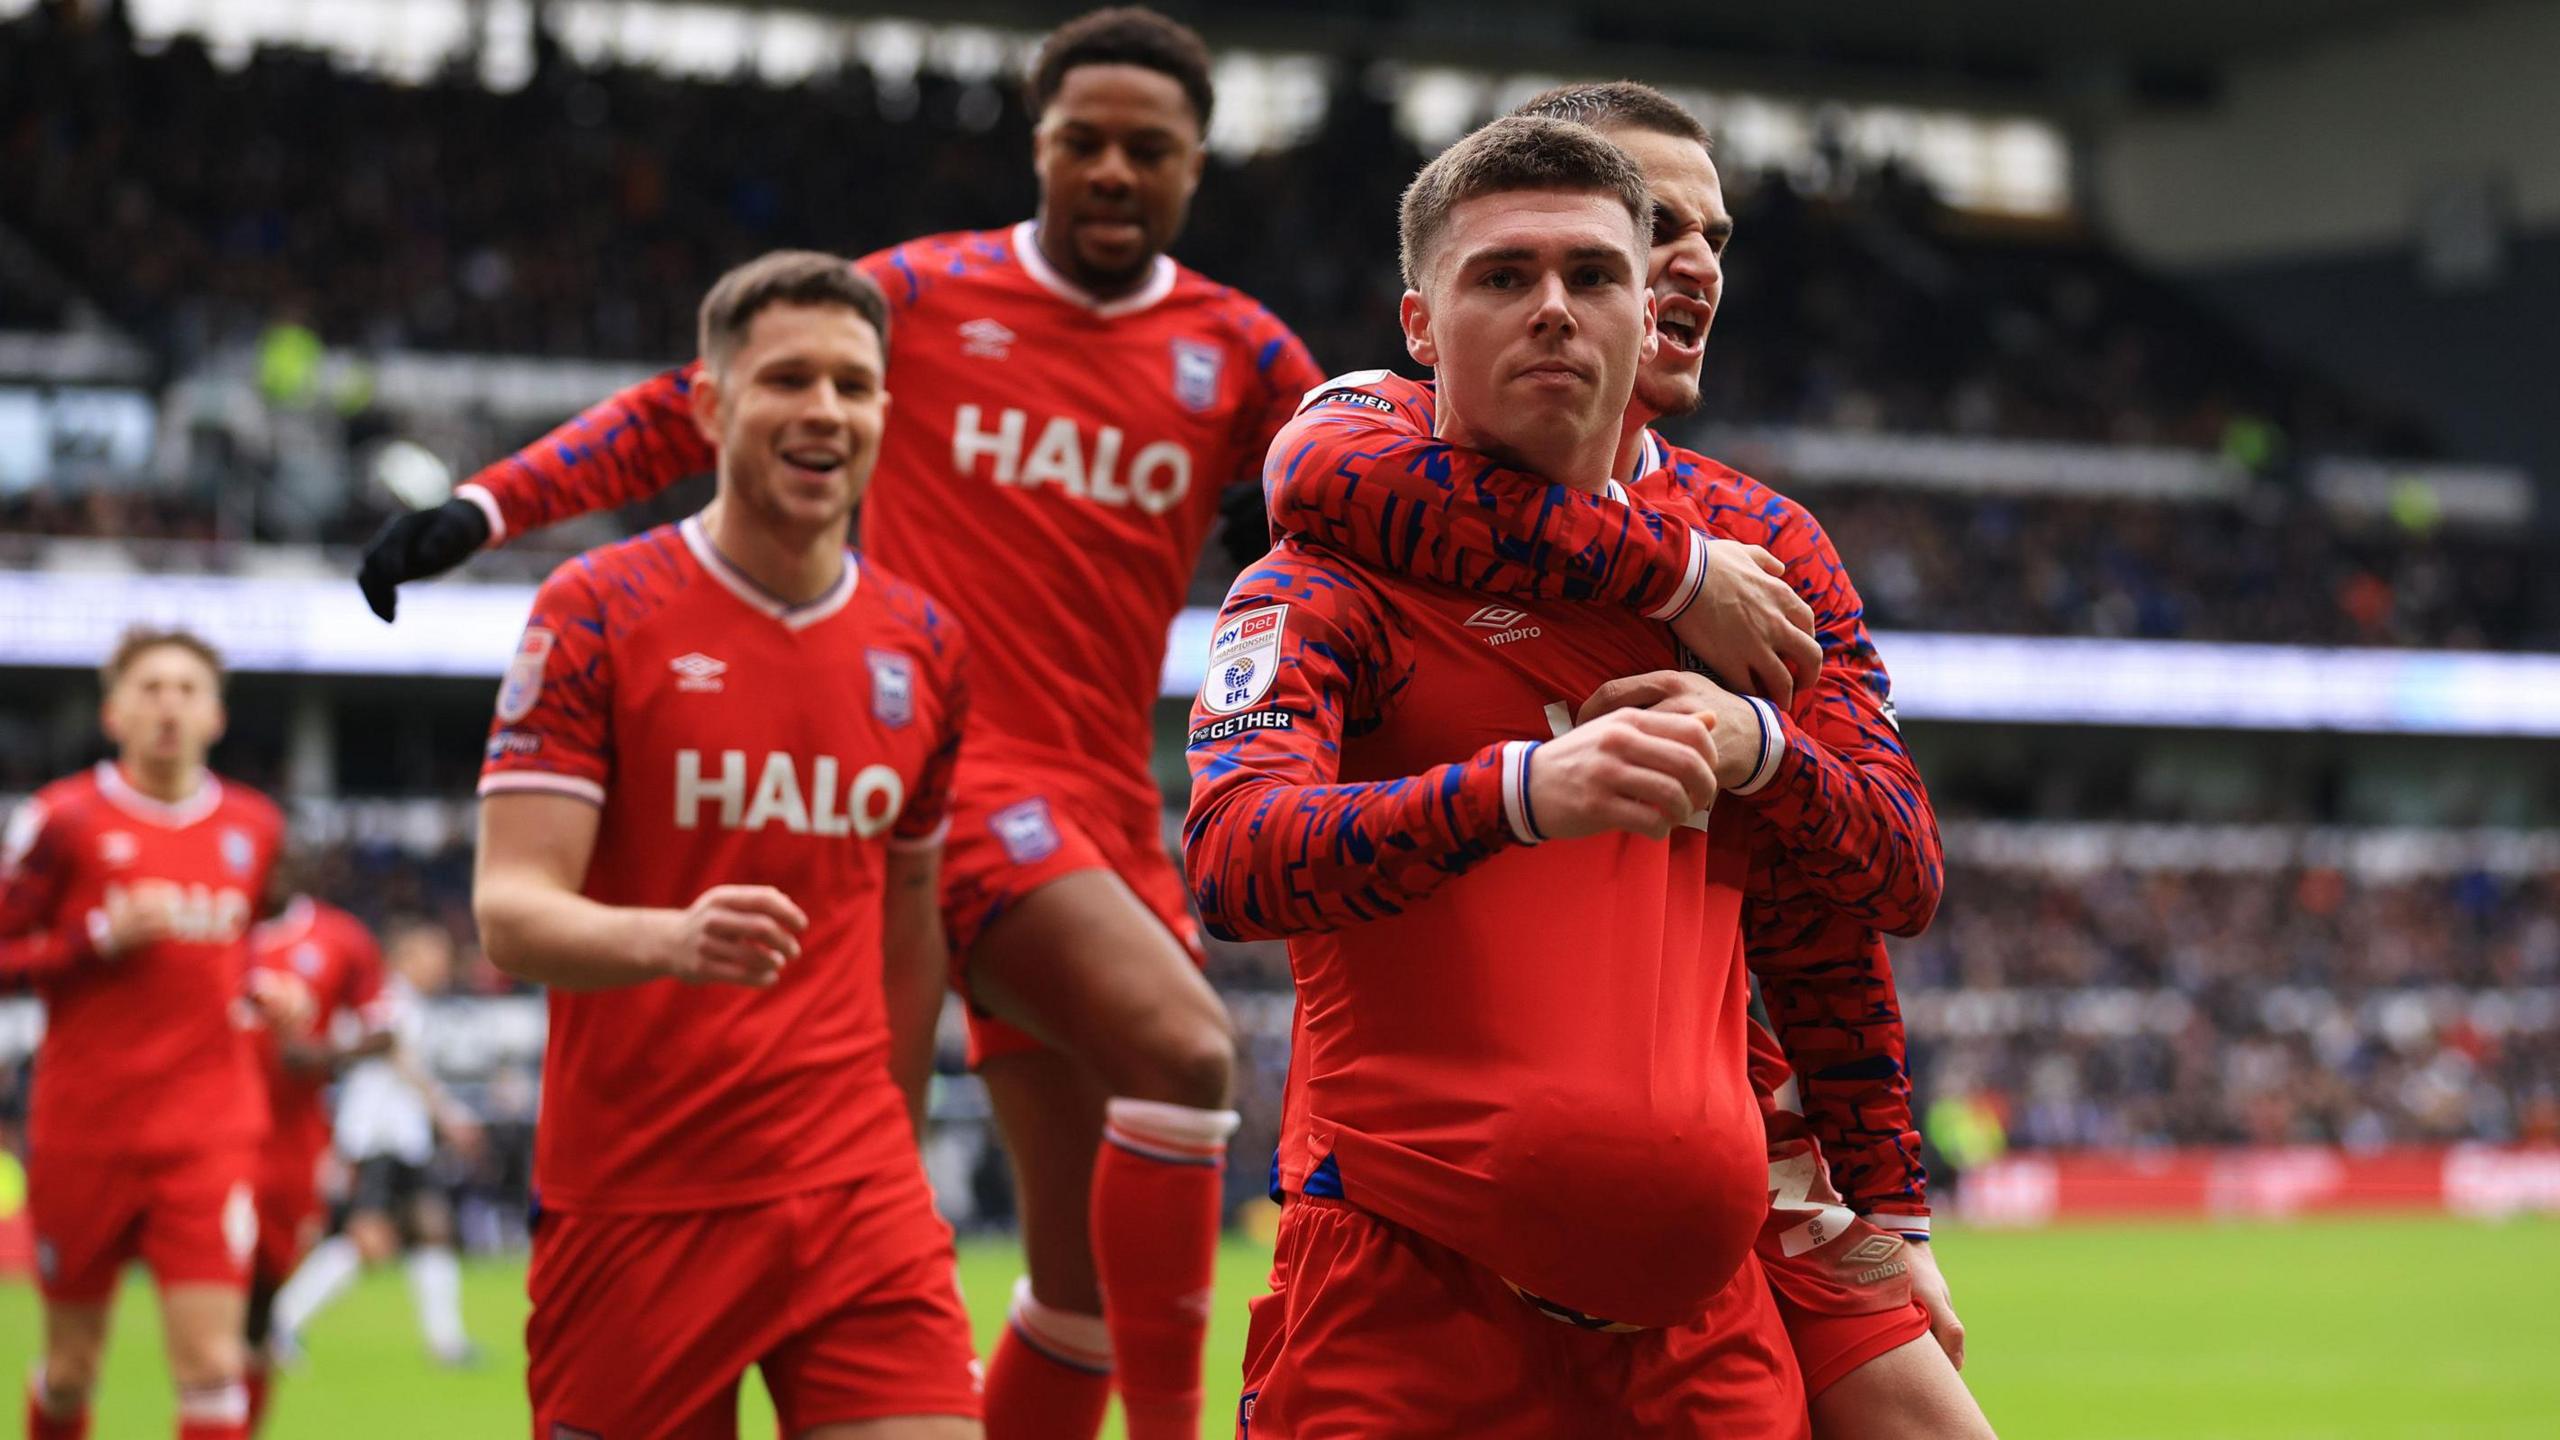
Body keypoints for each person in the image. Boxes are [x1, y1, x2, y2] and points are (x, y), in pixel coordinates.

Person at [353, 11, 1367, 1436]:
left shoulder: (1244, 351)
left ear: (1200, 162)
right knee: (1191, 1057)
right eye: (1085, 142)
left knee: (1073, 1288)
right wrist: (487, 506)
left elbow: (1354, 504)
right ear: (1040, 149)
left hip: (1102, 810)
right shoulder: (921, 296)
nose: (1115, 171)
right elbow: (681, 405)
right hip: (957, 771)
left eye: (1151, 148)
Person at [1250, 82, 1993, 1437]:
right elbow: (1306, 475)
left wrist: (1889, 1194)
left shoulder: (1769, 547)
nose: (1691, 259)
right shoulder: (1362, 485)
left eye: (1698, 236)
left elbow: (1873, 889)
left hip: (1738, 1166)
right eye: (1653, 224)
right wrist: (1668, 585)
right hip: (1430, 1220)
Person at [1187, 114, 1804, 1437]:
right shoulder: (1321, 583)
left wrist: (1767, 747)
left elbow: (1877, 875)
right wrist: (1521, 791)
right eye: (1502, 276)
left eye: (1592, 276)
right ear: (1418, 323)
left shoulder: (1746, 590)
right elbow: (1235, 861)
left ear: (1654, 313)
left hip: (1707, 1333)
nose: (1553, 312)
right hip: (1405, 1309)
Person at [470, 250, 980, 1438]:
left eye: (853, 386)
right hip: (642, 1200)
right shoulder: (595, 609)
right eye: (786, 379)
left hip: (857, 1193)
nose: (824, 411)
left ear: (884, 413)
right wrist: (671, 938)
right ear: (708, 404)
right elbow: (510, 909)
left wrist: (894, 1147)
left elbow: (912, 916)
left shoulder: (927, 647)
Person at [1, 627, 298, 1440]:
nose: (168, 705)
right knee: (69, 1372)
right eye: (150, 688)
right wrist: (95, 937)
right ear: (113, 712)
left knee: (211, 1367)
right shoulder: (59, 821)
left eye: (186, 689)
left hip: (208, 1129)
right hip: (85, 1128)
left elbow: (230, 951)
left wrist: (259, 991)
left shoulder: (254, 824)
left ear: (217, 716)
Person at [264, 920, 481, 1380]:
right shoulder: (387, 999)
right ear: (403, 959)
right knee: (368, 1239)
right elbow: (391, 1053)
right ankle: (278, 1321)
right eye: (429, 954)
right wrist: (447, 1114)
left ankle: (446, 1342)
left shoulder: (412, 1004)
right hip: (376, 1135)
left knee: (432, 1228)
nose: (440, 965)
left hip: (405, 1138)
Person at [240, 892, 394, 1432]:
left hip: (288, 1149)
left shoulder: (340, 937)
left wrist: (322, 1054)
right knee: (210, 1311)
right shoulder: (204, 923)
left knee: (258, 1308)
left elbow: (385, 1031)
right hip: (206, 1134)